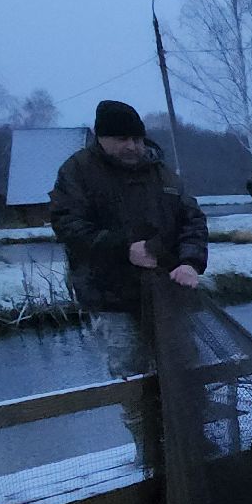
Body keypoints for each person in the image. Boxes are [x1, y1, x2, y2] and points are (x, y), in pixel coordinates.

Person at [49, 99, 208, 472]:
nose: (132, 146)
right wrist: (124, 249)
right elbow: (68, 227)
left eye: (136, 138)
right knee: (132, 376)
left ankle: (196, 443)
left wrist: (190, 261)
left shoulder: (162, 173)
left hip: (168, 292)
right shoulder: (77, 173)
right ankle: (149, 453)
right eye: (122, 139)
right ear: (101, 138)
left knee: (187, 366)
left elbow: (193, 221)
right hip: (110, 297)